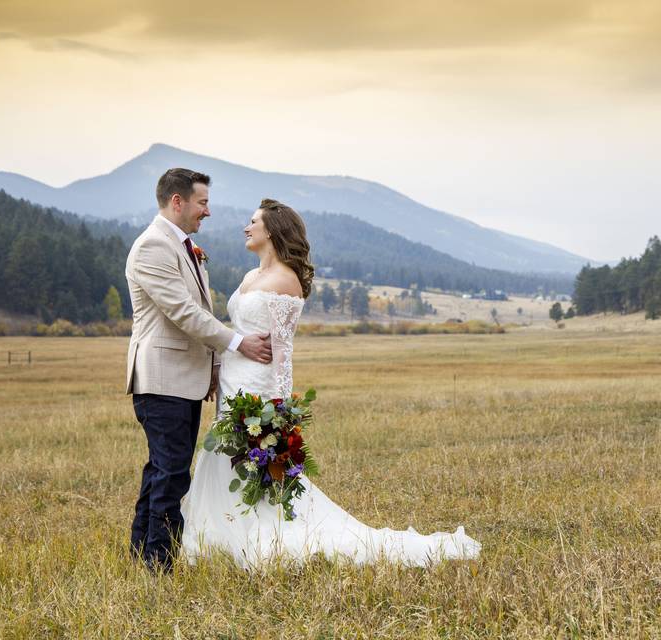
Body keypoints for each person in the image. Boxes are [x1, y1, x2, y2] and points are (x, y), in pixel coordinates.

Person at [181, 199, 481, 568]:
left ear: (272, 230)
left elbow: (283, 353)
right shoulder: (249, 277)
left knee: (255, 462)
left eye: (253, 221)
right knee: (225, 458)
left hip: (259, 385)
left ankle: (267, 535)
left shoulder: (286, 281)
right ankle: (223, 534)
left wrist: (278, 412)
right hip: (232, 382)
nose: (247, 227)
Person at [125, 168, 273, 572]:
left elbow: (197, 310)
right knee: (171, 473)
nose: (207, 211)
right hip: (161, 378)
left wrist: (213, 366)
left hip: (183, 379)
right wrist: (236, 342)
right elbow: (183, 312)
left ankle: (143, 554)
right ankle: (160, 563)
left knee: (162, 468)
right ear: (178, 201)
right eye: (202, 202)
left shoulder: (185, 246)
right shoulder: (153, 247)